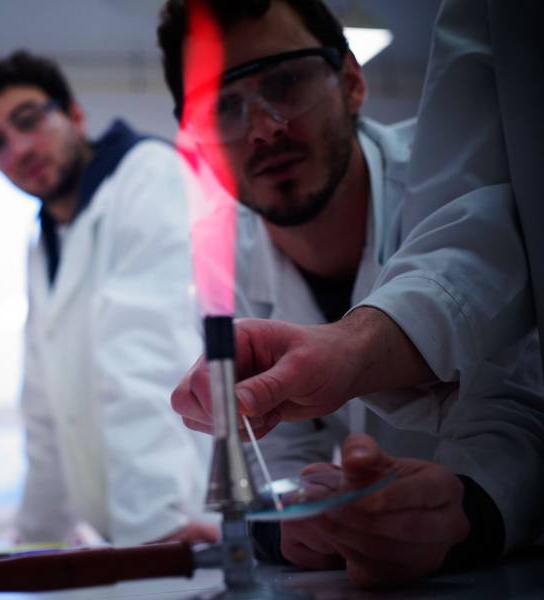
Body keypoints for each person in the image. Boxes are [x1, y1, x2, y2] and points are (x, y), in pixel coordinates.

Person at [156, 0, 544, 586]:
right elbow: (278, 458)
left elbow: (520, 397)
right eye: (223, 108)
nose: (263, 127)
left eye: (285, 83)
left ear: (352, 81)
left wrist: (466, 507)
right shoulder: (225, 267)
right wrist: (292, 525)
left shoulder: (459, 185)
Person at [0, 50, 216, 546]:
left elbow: (146, 355)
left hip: (181, 522)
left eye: (28, 120)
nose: (20, 148)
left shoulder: (146, 175)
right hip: (122, 536)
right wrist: (32, 545)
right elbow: (44, 410)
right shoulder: (46, 240)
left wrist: (155, 523)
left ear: (73, 114)